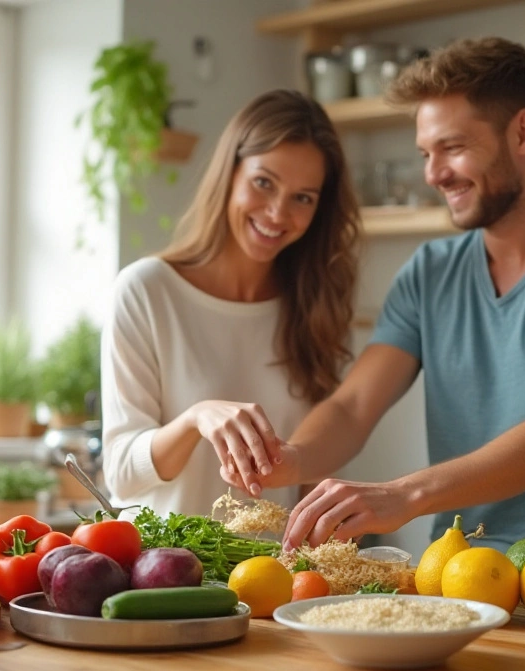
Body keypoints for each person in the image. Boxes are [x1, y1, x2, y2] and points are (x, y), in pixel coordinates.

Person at [226, 38, 525, 552]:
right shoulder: (430, 272)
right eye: (425, 153)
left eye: (453, 148)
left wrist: (404, 494)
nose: (433, 174)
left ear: (524, 133)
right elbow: (352, 408)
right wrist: (295, 458)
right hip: (453, 579)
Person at [101, 89, 362, 518]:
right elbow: (121, 472)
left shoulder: (318, 305)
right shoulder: (146, 291)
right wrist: (195, 419)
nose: (277, 212)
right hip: (161, 576)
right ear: (230, 174)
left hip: (271, 578)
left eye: (303, 198)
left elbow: (315, 470)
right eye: (264, 182)